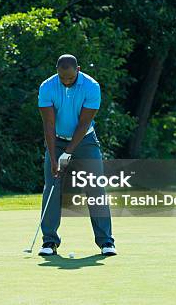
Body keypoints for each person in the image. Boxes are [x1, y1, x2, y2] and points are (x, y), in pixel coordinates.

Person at [37, 54, 116, 256]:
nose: (66, 82)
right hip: (56, 139)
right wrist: (55, 158)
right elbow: (49, 124)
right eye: (62, 78)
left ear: (78, 70)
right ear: (57, 71)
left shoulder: (92, 87)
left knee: (95, 187)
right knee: (52, 188)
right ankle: (49, 242)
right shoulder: (47, 87)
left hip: (85, 140)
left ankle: (106, 242)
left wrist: (69, 152)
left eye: (70, 78)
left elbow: (84, 124)